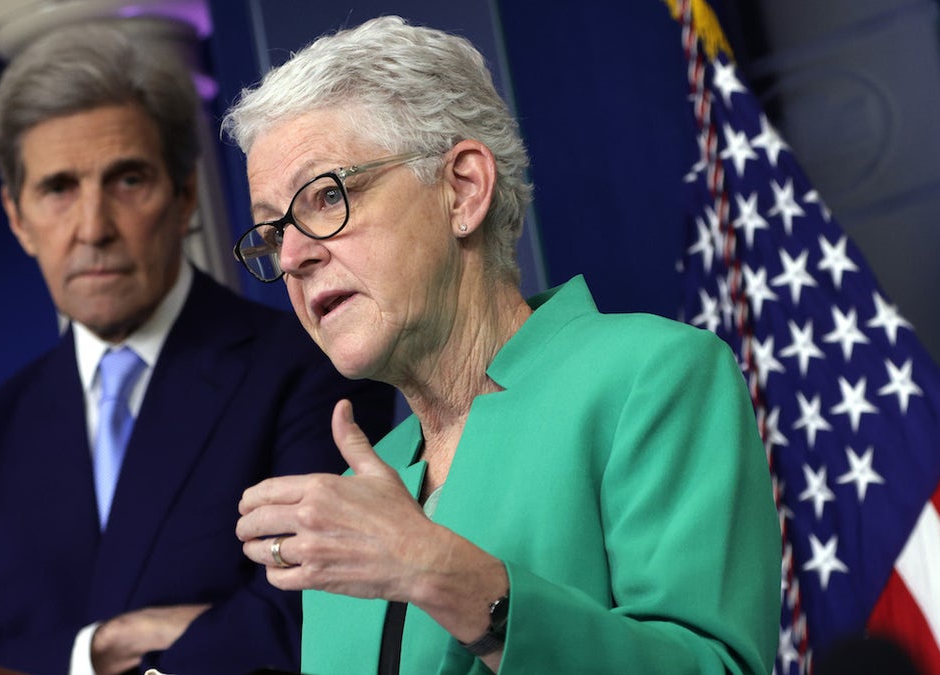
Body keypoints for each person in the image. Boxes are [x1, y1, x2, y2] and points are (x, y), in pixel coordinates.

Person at [226, 15, 780, 675]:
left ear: (463, 189)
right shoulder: (350, 499)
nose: (291, 255)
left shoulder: (651, 380)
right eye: (271, 232)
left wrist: (434, 569)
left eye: (326, 197)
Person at [0, 19, 394, 675]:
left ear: (183, 198)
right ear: (17, 217)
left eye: (127, 181)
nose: (93, 228)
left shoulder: (308, 369)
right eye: (58, 189)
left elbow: (311, 625)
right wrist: (102, 646)